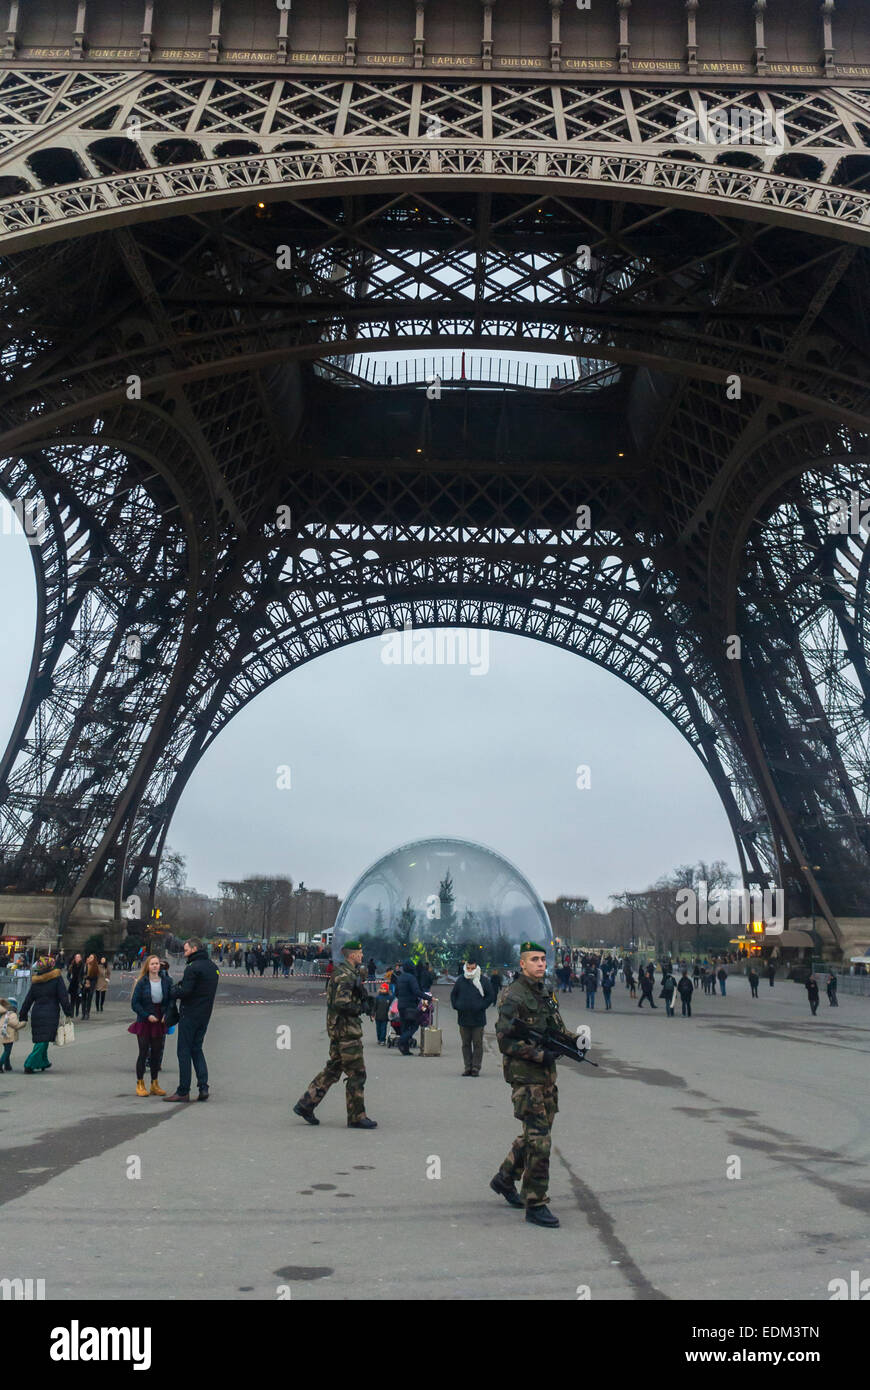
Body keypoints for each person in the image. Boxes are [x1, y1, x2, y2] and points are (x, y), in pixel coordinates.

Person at [492, 942, 566, 1228]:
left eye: (543, 959)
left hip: (546, 1077)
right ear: (522, 964)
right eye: (534, 959)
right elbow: (505, 1040)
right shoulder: (513, 996)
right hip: (526, 1078)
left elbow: (555, 1028)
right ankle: (535, 1202)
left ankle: (505, 1178)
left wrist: (574, 1042)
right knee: (540, 1142)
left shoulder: (544, 993)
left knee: (536, 1133)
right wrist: (539, 1054)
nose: (540, 964)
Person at [293, 939, 376, 1128]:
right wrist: (360, 1007)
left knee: (333, 1069)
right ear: (353, 954)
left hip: (339, 1029)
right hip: (346, 1031)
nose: (362, 956)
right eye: (360, 953)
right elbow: (342, 1003)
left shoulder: (343, 972)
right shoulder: (346, 975)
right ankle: (356, 1116)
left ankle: (306, 1104)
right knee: (357, 1073)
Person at [163, 938, 219, 1103]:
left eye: (186, 950)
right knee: (197, 1049)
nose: (185, 953)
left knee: (184, 1052)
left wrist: (173, 992)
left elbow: (186, 991)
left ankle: (183, 1090)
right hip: (205, 1014)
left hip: (190, 1014)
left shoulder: (193, 967)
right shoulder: (212, 967)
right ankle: (203, 1086)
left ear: (194, 949)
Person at [18, 957, 72, 1072]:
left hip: (37, 1012)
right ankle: (29, 1064)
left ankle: (43, 1061)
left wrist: (23, 1014)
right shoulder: (56, 978)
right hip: (51, 1013)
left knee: (43, 1038)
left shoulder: (36, 980)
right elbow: (63, 996)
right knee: (43, 1040)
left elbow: (28, 999)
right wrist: (68, 1011)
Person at [130, 955, 171, 1096]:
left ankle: (155, 1083)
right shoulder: (142, 982)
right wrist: (147, 1015)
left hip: (159, 1018)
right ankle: (140, 1083)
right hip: (144, 1019)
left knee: (156, 1052)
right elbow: (135, 1003)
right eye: (152, 964)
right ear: (148, 966)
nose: (155, 966)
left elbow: (170, 1000)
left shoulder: (166, 981)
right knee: (143, 1052)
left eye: (157, 963)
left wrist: (166, 1014)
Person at [450, 958, 494, 1076]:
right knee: (465, 1044)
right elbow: (453, 995)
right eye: (468, 968)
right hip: (463, 1018)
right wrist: (457, 1006)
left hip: (478, 1019)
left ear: (476, 967)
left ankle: (475, 1067)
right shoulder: (461, 980)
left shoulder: (483, 981)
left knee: (478, 1043)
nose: (470, 970)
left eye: (472, 968)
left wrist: (481, 1006)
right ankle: (467, 1067)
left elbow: (490, 996)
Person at [395, 959, 424, 1055]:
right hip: (410, 1005)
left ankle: (405, 1050)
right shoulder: (412, 978)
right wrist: (428, 997)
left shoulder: (400, 978)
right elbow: (416, 991)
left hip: (401, 1005)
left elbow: (396, 993)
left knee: (404, 1027)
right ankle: (401, 1040)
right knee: (414, 1025)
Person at [0, 997, 22, 1070]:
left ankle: (7, 1065)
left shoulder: (3, 1014)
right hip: (9, 1035)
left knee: (7, 1050)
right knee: (7, 1051)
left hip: (2, 1035)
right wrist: (21, 1024)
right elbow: (15, 1024)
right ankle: (0, 1064)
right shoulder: (12, 1015)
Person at [67, 953, 84, 1018]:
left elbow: (83, 975)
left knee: (78, 999)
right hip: (73, 984)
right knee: (72, 1000)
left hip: (79, 985)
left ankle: (77, 1010)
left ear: (80, 958)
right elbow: (68, 975)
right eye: (76, 957)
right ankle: (72, 1013)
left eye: (78, 957)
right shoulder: (72, 965)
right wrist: (70, 980)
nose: (77, 958)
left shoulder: (83, 965)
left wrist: (82, 982)